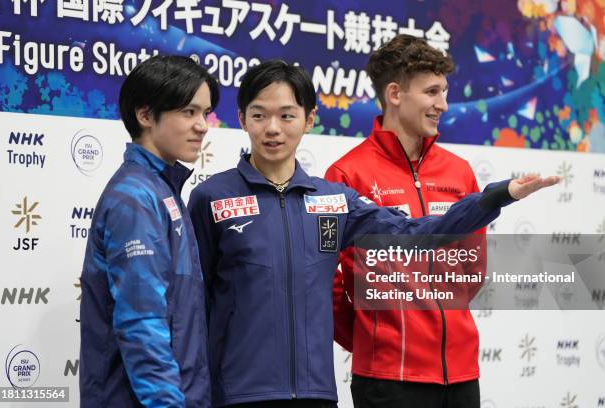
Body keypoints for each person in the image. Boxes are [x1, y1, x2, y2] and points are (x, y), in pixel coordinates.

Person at [187, 59, 557, 408]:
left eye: (287, 116)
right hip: (236, 393)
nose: (272, 128)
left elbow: (415, 232)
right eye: (259, 115)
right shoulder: (212, 197)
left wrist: (497, 196)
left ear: (309, 119)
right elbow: (193, 302)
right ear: (241, 119)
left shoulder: (334, 199)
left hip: (316, 392)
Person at [324, 34, 495, 407]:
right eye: (432, 92)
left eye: (445, 92)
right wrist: (375, 338)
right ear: (395, 94)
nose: (443, 105)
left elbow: (473, 269)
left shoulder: (460, 172)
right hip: (387, 378)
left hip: (462, 374)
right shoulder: (346, 174)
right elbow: (328, 282)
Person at [80, 55, 219, 407]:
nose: (202, 125)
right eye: (188, 112)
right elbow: (142, 323)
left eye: (205, 113)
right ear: (145, 115)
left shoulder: (161, 190)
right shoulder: (136, 198)